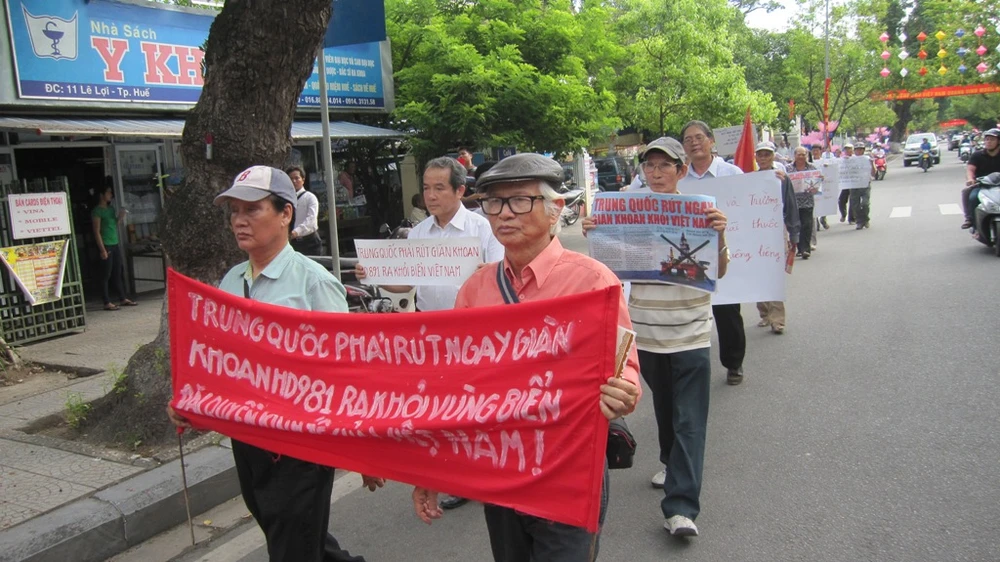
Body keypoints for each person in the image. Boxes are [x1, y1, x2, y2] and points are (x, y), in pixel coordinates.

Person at [412, 153, 641, 560]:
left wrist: (623, 391)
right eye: (494, 202)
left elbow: (623, 366)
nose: (503, 214)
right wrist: (432, 467)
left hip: (569, 469)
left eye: (519, 201)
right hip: (499, 471)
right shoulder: (476, 289)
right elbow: (453, 387)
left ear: (556, 209)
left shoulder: (592, 282)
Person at [166, 166, 374, 562]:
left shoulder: (314, 283)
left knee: (291, 543)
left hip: (302, 445)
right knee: (289, 531)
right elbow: (216, 362)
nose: (239, 221)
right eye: (234, 211)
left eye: (252, 209)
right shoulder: (230, 282)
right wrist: (188, 402)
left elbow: (345, 372)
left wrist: (360, 451)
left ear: (285, 214)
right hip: (248, 440)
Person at [583, 137, 727, 538]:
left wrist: (721, 236)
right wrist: (595, 235)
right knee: (666, 408)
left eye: (666, 166)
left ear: (682, 170)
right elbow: (603, 273)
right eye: (650, 166)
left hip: (692, 332)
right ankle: (670, 459)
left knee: (690, 419)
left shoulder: (704, 211)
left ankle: (681, 508)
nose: (657, 172)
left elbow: (721, 270)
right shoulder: (627, 213)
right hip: (645, 333)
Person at [356, 156, 503, 510]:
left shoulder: (482, 229)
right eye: (426, 188)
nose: (431, 195)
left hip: (472, 334)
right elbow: (408, 281)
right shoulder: (419, 233)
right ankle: (456, 477)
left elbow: (502, 274)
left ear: (460, 190)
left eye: (440, 187)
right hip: (430, 334)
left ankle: (488, 471)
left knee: (475, 407)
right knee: (443, 409)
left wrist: (486, 271)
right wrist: (372, 273)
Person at [677, 120, 746, 386]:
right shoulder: (680, 176)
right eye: (687, 139)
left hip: (723, 252)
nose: (693, 143)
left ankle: (733, 363)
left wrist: (775, 180)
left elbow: (755, 199)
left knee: (728, 314)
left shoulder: (732, 173)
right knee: (691, 314)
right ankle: (690, 369)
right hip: (690, 255)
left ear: (711, 141)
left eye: (698, 137)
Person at [754, 141, 799, 334]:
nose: (763, 158)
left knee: (774, 274)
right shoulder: (749, 178)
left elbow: (790, 205)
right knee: (758, 274)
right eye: (760, 155)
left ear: (773, 156)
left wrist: (794, 232)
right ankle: (764, 313)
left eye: (767, 154)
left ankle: (777, 319)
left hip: (775, 230)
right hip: (755, 231)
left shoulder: (781, 179)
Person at [91, 181, 137, 311]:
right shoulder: (97, 211)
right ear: (102, 195)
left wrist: (120, 218)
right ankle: (106, 301)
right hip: (106, 245)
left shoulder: (110, 209)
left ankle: (122, 298)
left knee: (118, 272)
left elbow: (112, 226)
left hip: (115, 243)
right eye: (108, 192)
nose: (111, 195)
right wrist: (102, 249)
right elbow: (97, 232)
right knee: (106, 274)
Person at [962, 128, 1000, 230]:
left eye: (992, 139)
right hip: (983, 186)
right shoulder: (977, 155)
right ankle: (971, 220)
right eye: (987, 139)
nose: (988, 142)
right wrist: (970, 179)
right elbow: (970, 170)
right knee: (972, 196)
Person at [787, 147, 819, 259]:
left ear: (807, 156)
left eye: (803, 154)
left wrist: (818, 183)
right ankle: (799, 248)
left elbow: (817, 185)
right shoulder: (788, 169)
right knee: (796, 226)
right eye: (799, 154)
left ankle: (805, 249)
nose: (801, 157)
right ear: (794, 155)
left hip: (807, 202)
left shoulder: (812, 168)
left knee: (807, 224)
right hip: (792, 202)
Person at [286, 166, 323, 256]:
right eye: (291, 179)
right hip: (292, 243)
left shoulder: (310, 197)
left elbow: (311, 220)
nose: (294, 181)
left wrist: (296, 232)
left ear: (303, 179)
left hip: (310, 242)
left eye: (297, 178)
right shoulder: (286, 200)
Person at [850, 143, 876, 230]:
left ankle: (866, 219)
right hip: (854, 185)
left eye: (860, 149)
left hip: (865, 185)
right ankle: (859, 221)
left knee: (865, 203)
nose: (859, 151)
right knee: (855, 205)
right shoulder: (850, 160)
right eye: (857, 149)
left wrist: (872, 164)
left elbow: (873, 173)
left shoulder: (867, 159)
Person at [810, 145, 830, 232]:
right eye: (813, 150)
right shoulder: (810, 162)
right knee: (815, 204)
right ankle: (816, 222)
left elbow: (830, 172)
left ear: (820, 151)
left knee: (823, 203)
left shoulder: (825, 161)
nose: (815, 152)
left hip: (824, 185)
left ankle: (823, 218)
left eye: (817, 150)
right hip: (813, 185)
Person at [839, 146, 854, 223]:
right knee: (841, 200)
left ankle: (851, 218)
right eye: (846, 149)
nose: (848, 151)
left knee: (852, 200)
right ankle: (843, 214)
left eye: (849, 149)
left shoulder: (856, 159)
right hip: (845, 183)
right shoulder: (841, 160)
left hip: (854, 183)